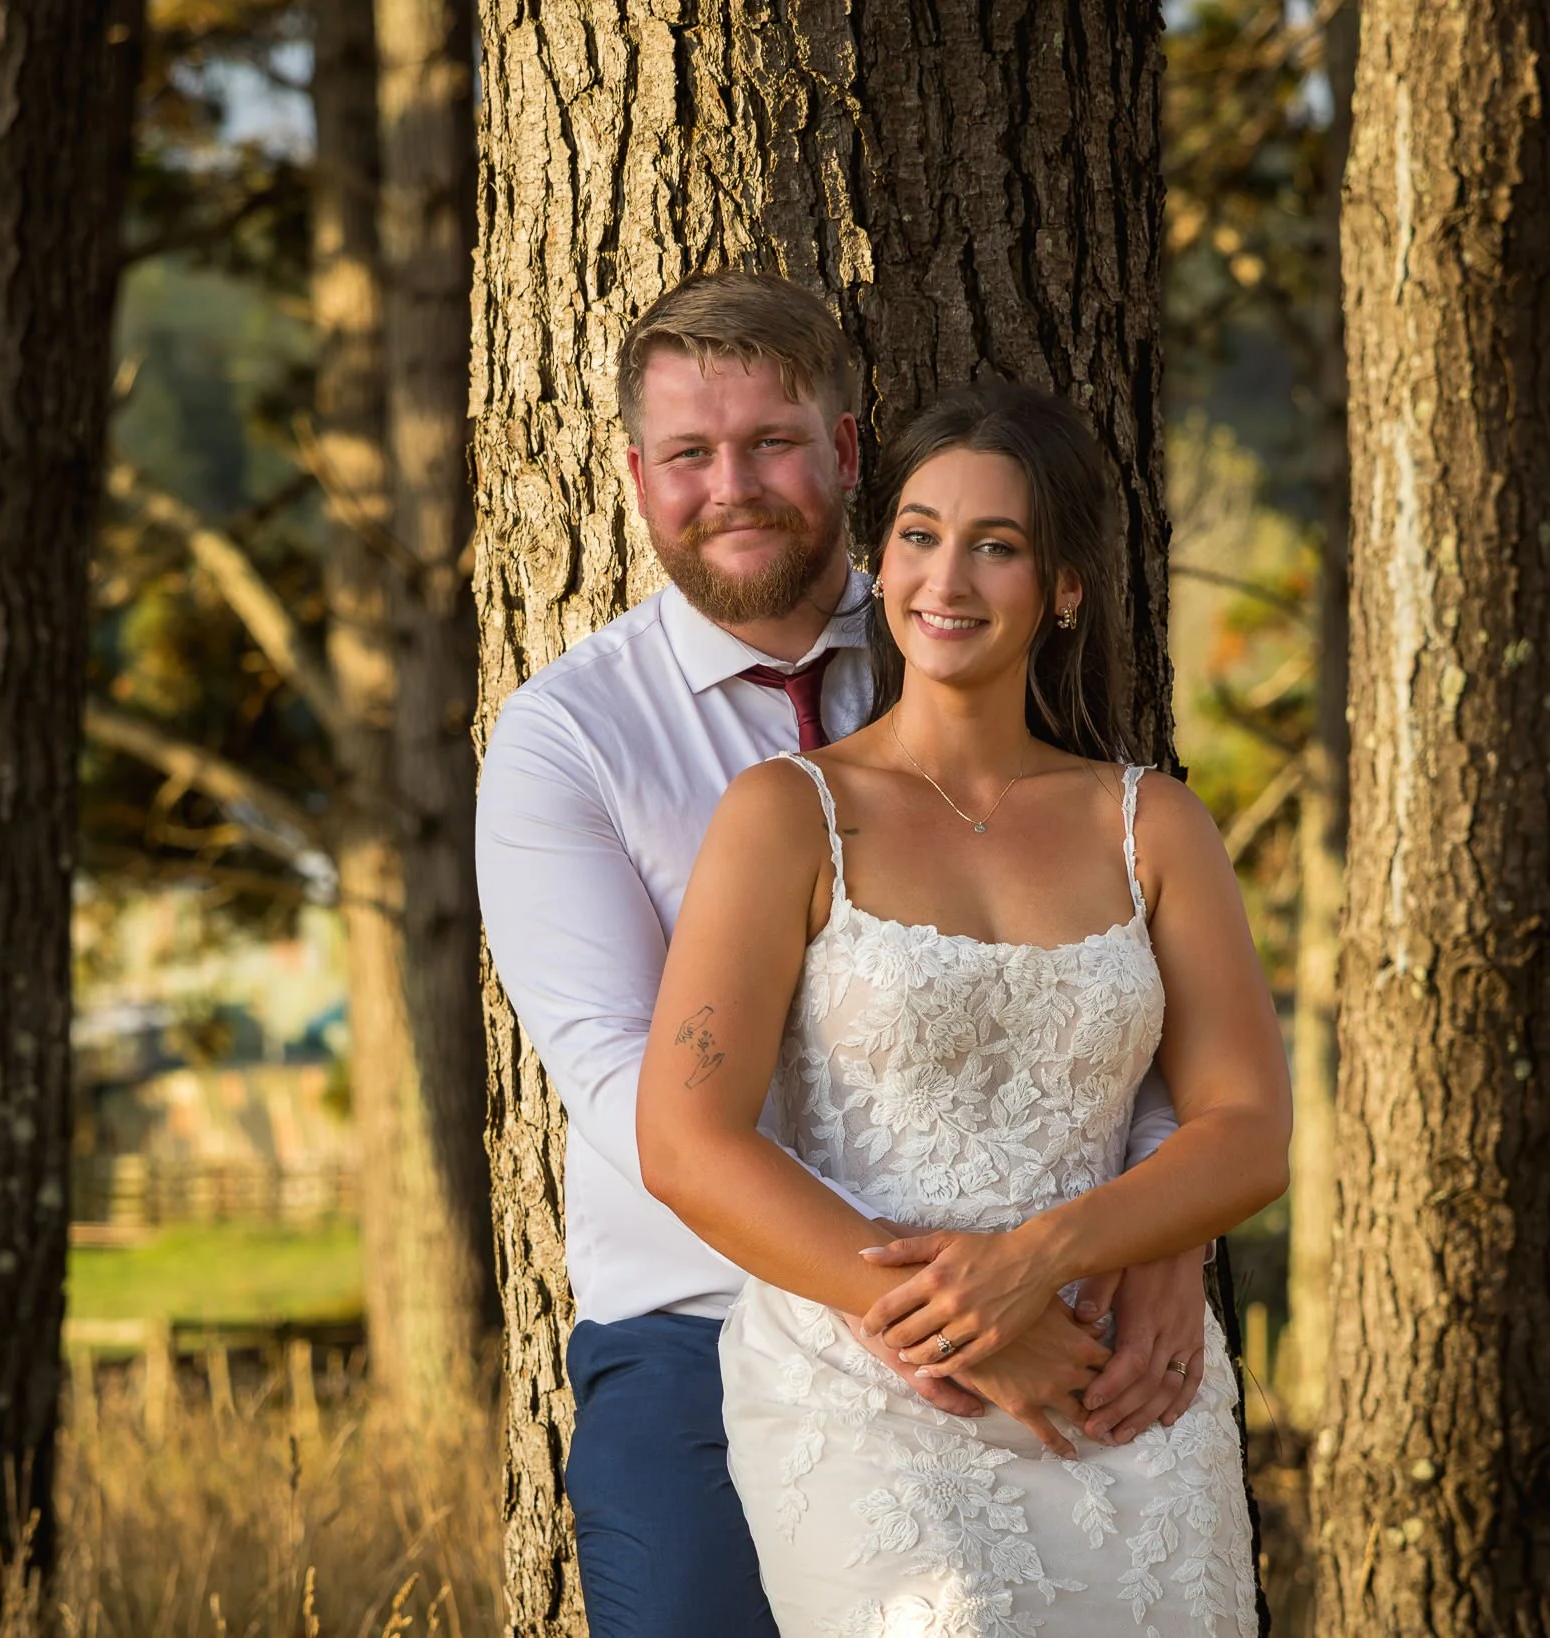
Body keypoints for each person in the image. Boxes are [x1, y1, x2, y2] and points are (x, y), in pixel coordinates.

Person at [477, 272, 1218, 1638]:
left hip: (1065, 1304)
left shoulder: (963, 633)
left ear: (848, 451)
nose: (732, 486)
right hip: (699, 1318)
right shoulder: (567, 738)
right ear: (636, 476)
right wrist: (951, 1308)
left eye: (769, 443)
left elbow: (1121, 994)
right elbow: (631, 1086)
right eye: (690, 455)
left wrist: (1167, 1228)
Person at [634, 382, 1290, 1635]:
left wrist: (1046, 1260)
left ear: (1065, 589)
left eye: (996, 545)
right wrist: (958, 1326)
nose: (947, 577)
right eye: (920, 534)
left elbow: (1245, 1127)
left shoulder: (1152, 822)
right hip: (870, 1383)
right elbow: (686, 1142)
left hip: (1118, 1380)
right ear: (879, 562)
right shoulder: (786, 815)